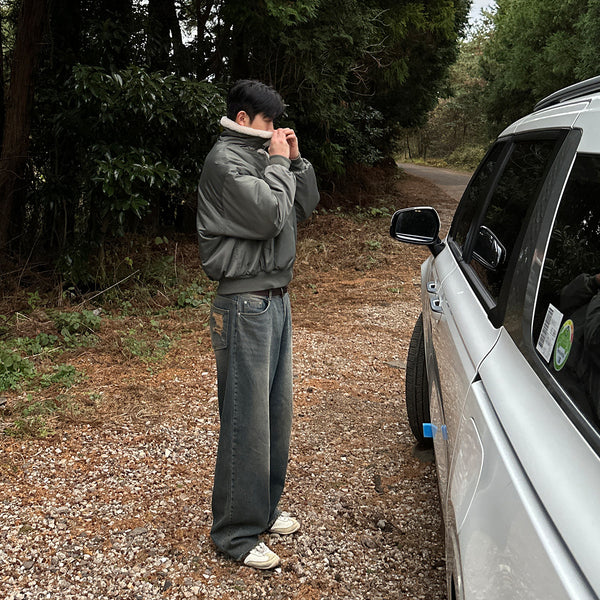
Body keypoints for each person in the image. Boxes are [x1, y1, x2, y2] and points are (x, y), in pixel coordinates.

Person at [196, 80, 320, 569]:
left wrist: (296, 159)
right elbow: (271, 215)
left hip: (275, 299)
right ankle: (235, 533)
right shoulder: (225, 162)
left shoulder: (263, 158)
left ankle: (263, 511)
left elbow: (302, 206)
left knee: (274, 414)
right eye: (269, 124)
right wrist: (276, 162)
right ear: (244, 120)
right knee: (246, 419)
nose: (275, 132)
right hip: (243, 302)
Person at [559, 272, 600, 418]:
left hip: (572, 409)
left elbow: (595, 338)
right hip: (545, 371)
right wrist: (593, 282)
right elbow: (563, 300)